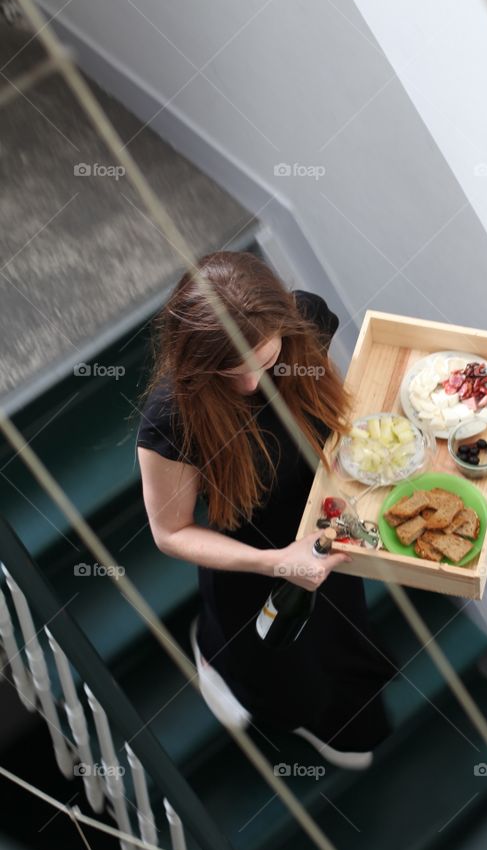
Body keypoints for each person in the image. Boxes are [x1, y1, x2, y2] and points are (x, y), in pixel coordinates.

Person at [135, 249, 394, 769]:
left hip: (318, 532)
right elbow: (170, 533)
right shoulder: (172, 419)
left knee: (340, 638)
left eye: (264, 360)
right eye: (229, 371)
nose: (252, 384)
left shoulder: (307, 323)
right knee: (279, 662)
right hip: (251, 560)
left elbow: (329, 405)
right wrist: (276, 562)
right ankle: (215, 658)